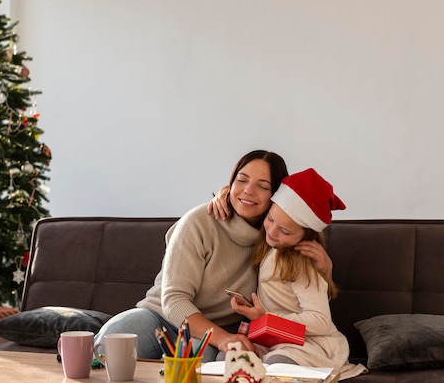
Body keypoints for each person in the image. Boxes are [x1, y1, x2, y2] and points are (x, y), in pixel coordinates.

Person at [95, 150, 333, 362]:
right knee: (107, 347)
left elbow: (303, 305)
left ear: (277, 196)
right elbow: (174, 300)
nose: (248, 191)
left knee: (203, 360)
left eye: (263, 186)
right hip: (161, 318)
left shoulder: (276, 236)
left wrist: (326, 272)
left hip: (213, 332)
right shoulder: (199, 221)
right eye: (241, 180)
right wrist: (223, 339)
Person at [230, 168, 365, 378]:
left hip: (309, 344)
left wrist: (266, 317)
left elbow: (320, 320)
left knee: (277, 367)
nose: (272, 231)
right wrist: (223, 194)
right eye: (271, 219)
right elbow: (245, 204)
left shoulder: (301, 262)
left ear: (306, 236)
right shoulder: (270, 247)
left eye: (285, 231)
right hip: (275, 338)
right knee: (230, 358)